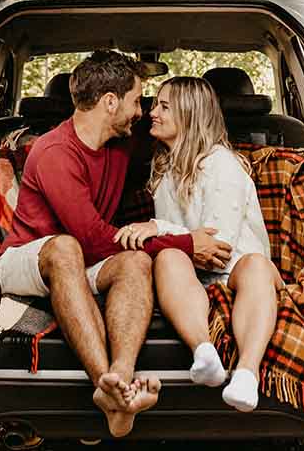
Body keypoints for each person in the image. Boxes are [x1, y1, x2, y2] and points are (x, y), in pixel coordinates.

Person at [0, 52, 233, 437]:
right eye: (137, 100)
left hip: (82, 258)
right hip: (26, 257)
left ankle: (121, 377)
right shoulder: (54, 152)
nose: (142, 112)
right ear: (110, 102)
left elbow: (186, 141)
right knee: (66, 247)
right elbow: (92, 240)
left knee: (135, 261)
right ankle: (106, 388)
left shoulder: (123, 144)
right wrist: (185, 242)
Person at [113, 76, 281, 412]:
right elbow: (187, 246)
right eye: (153, 104)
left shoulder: (222, 164)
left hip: (235, 267)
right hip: (193, 271)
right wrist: (163, 238)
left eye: (163, 106)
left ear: (189, 114)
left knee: (257, 266)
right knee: (167, 258)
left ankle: (247, 374)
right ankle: (204, 353)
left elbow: (219, 248)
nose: (152, 113)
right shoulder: (164, 167)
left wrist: (156, 227)